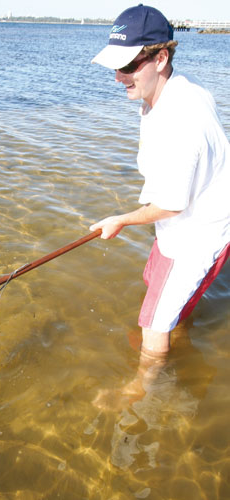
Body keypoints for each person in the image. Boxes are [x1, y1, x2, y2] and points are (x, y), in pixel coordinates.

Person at [89, 5, 230, 363]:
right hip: (182, 222)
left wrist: (119, 220)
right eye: (115, 66)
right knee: (158, 293)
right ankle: (177, 331)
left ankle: (144, 400)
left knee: (153, 331)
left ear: (161, 58)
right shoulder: (171, 89)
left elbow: (171, 204)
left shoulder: (181, 121)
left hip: (195, 234)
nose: (118, 77)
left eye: (128, 66)